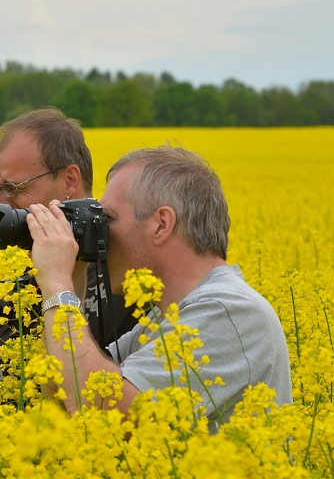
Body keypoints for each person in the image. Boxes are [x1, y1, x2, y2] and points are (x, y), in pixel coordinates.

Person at [26, 145, 293, 428]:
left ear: (161, 224)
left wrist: (56, 283)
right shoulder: (163, 320)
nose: (101, 232)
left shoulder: (230, 311)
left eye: (108, 219)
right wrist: (75, 275)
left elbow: (110, 416)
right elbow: (64, 395)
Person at [0, 108, 136, 391]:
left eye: (12, 188)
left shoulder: (117, 271)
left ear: (70, 180)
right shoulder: (30, 260)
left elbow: (17, 387)